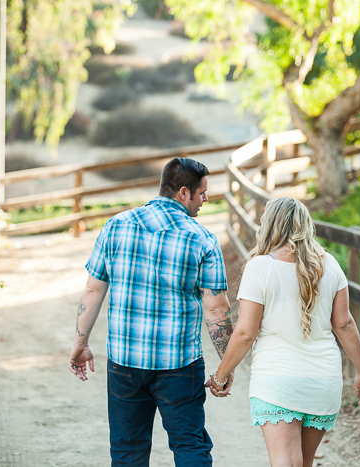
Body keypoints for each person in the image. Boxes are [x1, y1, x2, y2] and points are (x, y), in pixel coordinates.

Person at [68, 157, 234, 467]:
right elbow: (216, 310)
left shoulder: (116, 226)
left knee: (128, 451)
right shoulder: (202, 240)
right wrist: (227, 364)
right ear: (183, 193)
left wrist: (80, 344)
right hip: (180, 366)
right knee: (189, 446)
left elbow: (93, 290)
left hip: (124, 362)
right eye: (202, 193)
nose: (205, 199)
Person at [208, 196, 360, 467]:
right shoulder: (329, 264)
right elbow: (344, 324)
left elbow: (245, 333)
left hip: (277, 381)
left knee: (285, 462)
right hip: (322, 380)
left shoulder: (260, 268)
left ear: (269, 226)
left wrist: (221, 374)